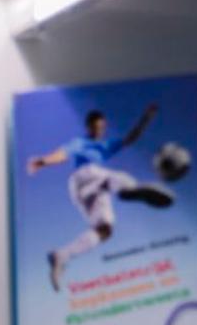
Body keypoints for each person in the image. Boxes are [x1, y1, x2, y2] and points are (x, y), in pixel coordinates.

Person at [27, 101, 171, 290]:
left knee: (105, 230)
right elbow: (61, 154)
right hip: (84, 176)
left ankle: (61, 256)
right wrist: (43, 161)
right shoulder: (79, 143)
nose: (99, 131)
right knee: (114, 177)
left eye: (102, 127)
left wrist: (146, 118)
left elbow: (130, 138)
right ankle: (128, 190)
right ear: (88, 127)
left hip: (84, 193)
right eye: (96, 127)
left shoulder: (106, 146)